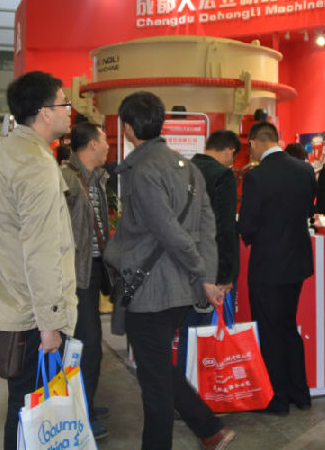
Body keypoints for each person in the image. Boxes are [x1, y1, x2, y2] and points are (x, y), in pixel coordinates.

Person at [104, 91, 234, 450]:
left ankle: (200, 433)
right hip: (178, 290)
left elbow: (169, 232)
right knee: (157, 367)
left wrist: (202, 274)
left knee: (154, 383)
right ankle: (210, 430)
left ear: (128, 128)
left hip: (151, 290)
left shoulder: (143, 170)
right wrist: (204, 276)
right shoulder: (188, 167)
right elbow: (208, 227)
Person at [0, 71, 78, 450]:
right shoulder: (35, 164)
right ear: (45, 112)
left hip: (13, 300)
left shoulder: (9, 153)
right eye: (64, 102)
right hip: (30, 313)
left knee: (24, 405)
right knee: (31, 408)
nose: (69, 110)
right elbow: (41, 251)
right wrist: (50, 322)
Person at [238, 121, 316, 415]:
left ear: (255, 143)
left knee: (270, 331)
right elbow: (309, 210)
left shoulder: (256, 177)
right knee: (287, 326)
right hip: (296, 262)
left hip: (268, 264)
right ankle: (300, 393)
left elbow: (248, 224)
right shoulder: (304, 170)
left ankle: (277, 398)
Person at [59, 122, 111, 440]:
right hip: (76, 277)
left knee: (90, 344)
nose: (108, 145)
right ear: (92, 144)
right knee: (87, 347)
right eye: (104, 139)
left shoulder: (97, 179)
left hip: (91, 272)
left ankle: (86, 402)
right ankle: (81, 416)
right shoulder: (66, 179)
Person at [179, 130, 242, 366]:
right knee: (206, 333)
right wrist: (226, 275)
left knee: (188, 332)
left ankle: (184, 384)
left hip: (183, 263)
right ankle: (202, 385)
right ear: (230, 151)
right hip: (211, 267)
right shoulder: (222, 175)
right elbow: (225, 227)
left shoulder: (183, 169)